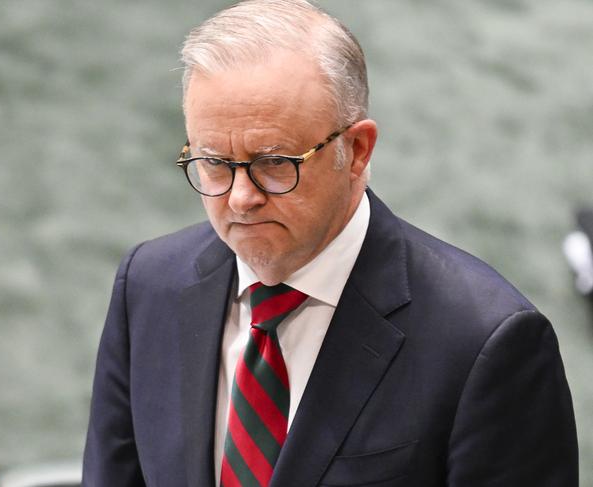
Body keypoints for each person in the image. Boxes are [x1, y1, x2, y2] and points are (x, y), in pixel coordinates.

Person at [82, 1, 578, 486]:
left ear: (357, 150)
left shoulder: (485, 341)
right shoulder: (148, 285)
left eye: (275, 162)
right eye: (214, 162)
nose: (240, 198)